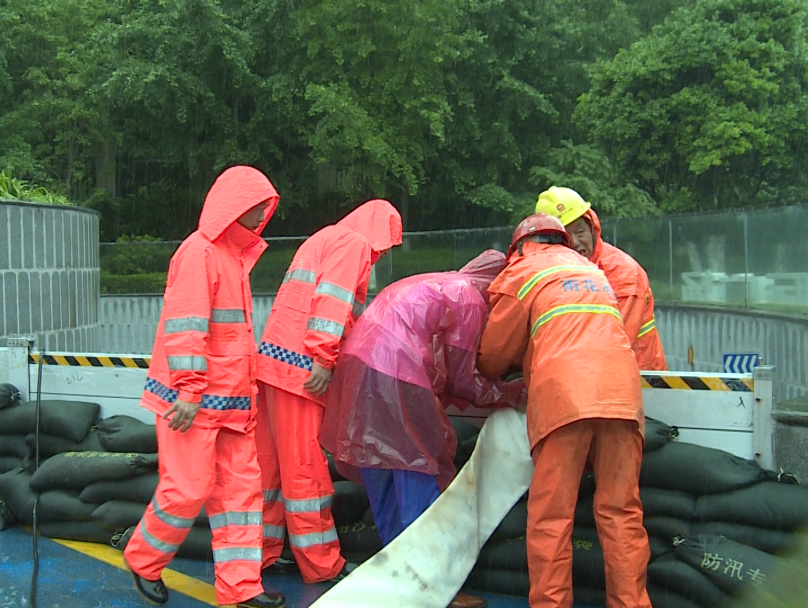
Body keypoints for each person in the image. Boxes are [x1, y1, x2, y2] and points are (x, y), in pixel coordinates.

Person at [320, 249, 527, 608]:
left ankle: (397, 576)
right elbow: (464, 378)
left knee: (381, 471)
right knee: (419, 471)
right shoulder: (471, 299)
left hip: (358, 365)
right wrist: (512, 392)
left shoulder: (436, 282)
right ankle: (435, 586)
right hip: (398, 370)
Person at [118, 166, 285, 608]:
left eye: (266, 207)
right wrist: (189, 391)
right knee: (187, 489)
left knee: (240, 498)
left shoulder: (233, 256)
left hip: (231, 404)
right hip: (190, 403)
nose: (264, 214)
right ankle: (143, 559)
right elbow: (185, 329)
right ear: (235, 206)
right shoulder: (201, 254)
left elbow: (226, 337)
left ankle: (242, 587)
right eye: (257, 205)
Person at [476, 213, 651, 608]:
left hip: (564, 399)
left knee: (552, 518)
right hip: (622, 398)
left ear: (519, 247)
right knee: (622, 513)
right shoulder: (592, 271)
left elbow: (492, 356)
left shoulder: (523, 270)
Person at [254, 200, 402, 584]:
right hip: (302, 370)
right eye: (385, 245)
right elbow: (332, 301)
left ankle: (261, 555)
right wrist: (323, 358)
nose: (382, 253)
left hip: (275, 364)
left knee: (269, 471)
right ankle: (321, 564)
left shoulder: (326, 236)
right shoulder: (353, 244)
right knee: (305, 472)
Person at [535, 186, 668, 370]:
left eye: (580, 232)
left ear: (592, 229)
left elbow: (615, 344)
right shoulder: (549, 274)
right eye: (564, 237)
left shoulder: (622, 274)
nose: (574, 242)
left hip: (641, 381)